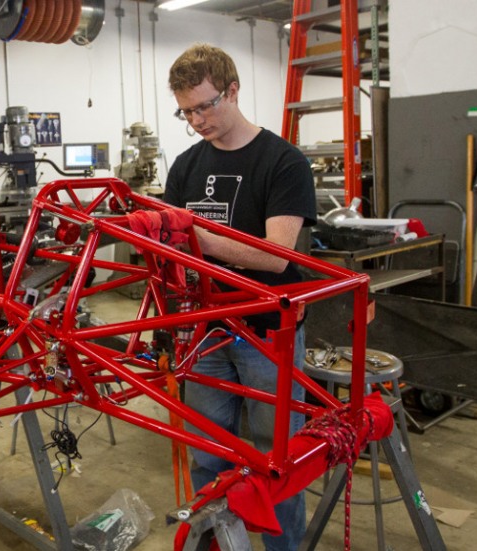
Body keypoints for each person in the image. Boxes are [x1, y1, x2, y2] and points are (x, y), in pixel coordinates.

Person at [163, 43, 317, 551]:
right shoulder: (185, 165)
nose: (197, 119)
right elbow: (165, 245)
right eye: (187, 111)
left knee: (276, 463)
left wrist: (194, 234)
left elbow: (277, 256)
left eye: (206, 105)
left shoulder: (284, 162)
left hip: (265, 334)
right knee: (208, 455)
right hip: (206, 332)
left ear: (233, 90)